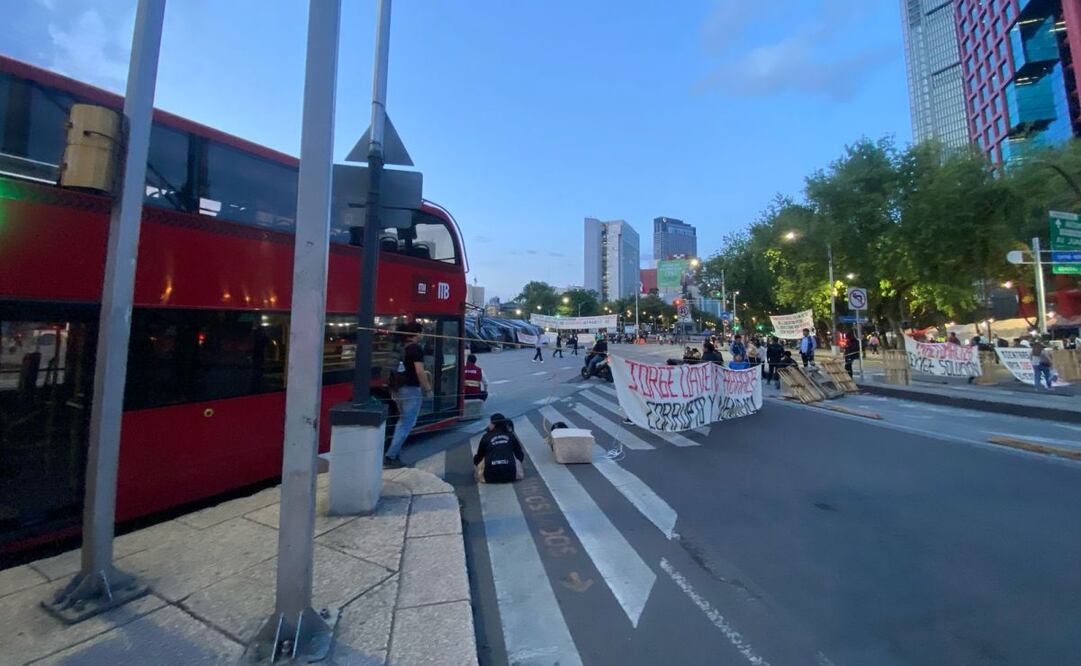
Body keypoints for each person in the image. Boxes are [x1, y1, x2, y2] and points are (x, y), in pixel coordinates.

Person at [386, 322, 430, 468]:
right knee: (407, 423)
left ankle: (394, 453)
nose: (423, 335)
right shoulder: (415, 349)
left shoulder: (399, 345)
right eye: (421, 332)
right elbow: (419, 371)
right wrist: (428, 389)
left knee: (402, 421)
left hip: (397, 388)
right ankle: (391, 456)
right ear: (417, 333)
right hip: (410, 389)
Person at [473, 413, 525, 483]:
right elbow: (519, 454)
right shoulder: (510, 435)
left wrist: (477, 466)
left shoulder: (486, 437)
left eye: (490, 423)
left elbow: (479, 457)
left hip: (489, 477)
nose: (489, 425)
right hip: (511, 475)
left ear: (493, 424)